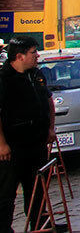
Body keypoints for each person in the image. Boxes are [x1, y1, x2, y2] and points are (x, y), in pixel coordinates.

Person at [0, 36, 58, 233]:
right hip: (13, 148)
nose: (37, 56)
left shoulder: (36, 75)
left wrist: (50, 128)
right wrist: (2, 144)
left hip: (36, 143)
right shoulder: (3, 79)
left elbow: (48, 101)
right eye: (34, 52)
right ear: (20, 56)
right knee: (6, 194)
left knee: (37, 191)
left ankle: (41, 227)